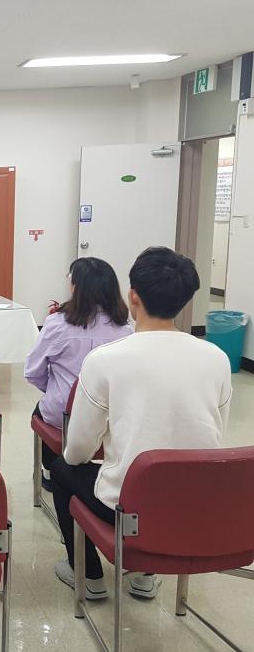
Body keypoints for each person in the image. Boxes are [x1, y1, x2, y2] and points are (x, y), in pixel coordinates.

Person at [51, 247, 232, 602]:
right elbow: (213, 435)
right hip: (195, 504)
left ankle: (88, 575)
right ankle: (145, 576)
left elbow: (78, 450)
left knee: (62, 469)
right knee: (161, 472)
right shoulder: (217, 359)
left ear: (133, 296)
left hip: (128, 508)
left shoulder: (105, 360)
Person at [24, 257, 133, 489]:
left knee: (42, 410)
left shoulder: (57, 324)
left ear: (75, 287)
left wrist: (56, 388)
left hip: (65, 413)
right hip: (112, 416)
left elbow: (33, 371)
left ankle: (49, 474)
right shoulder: (126, 330)